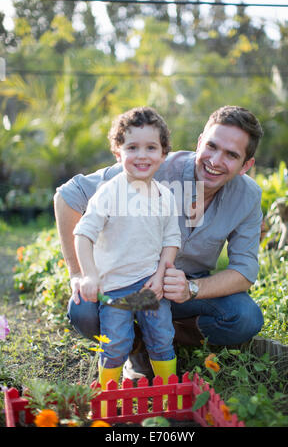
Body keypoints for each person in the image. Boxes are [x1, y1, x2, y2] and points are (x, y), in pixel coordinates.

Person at [54, 105, 265, 380]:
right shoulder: (153, 164)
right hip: (128, 283)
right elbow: (67, 197)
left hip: (183, 290)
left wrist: (192, 288)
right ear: (200, 141)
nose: (215, 160)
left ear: (245, 165)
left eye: (231, 155)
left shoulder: (248, 196)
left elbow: (245, 270)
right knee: (83, 308)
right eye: (211, 146)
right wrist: (80, 275)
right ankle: (136, 348)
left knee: (245, 316)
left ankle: (163, 342)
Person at [71, 106, 181, 390]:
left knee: (161, 336)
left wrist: (161, 275)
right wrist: (89, 275)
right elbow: (83, 234)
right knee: (117, 341)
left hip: (149, 286)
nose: (142, 155)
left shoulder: (165, 196)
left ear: (163, 154)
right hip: (115, 288)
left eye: (151, 147)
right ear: (118, 153)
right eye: (132, 147)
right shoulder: (109, 193)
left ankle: (166, 390)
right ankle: (107, 392)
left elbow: (171, 239)